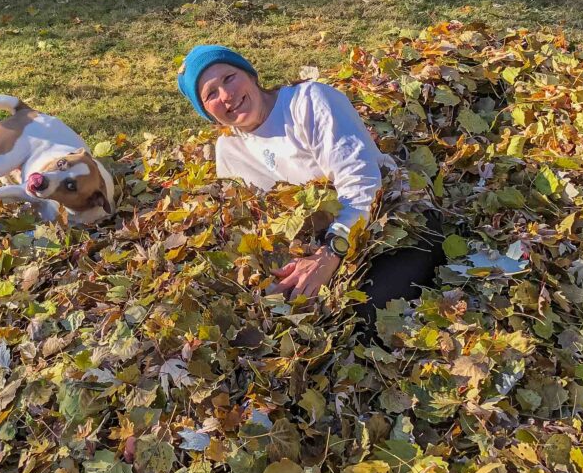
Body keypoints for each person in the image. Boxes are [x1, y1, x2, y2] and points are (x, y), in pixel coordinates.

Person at [176, 44, 444, 312]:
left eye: (229, 78)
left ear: (250, 75)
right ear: (207, 112)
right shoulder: (229, 149)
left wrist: (330, 254)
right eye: (211, 94)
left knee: (360, 316)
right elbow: (255, 221)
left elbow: (362, 182)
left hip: (391, 220)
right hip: (319, 242)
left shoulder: (309, 102)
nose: (226, 95)